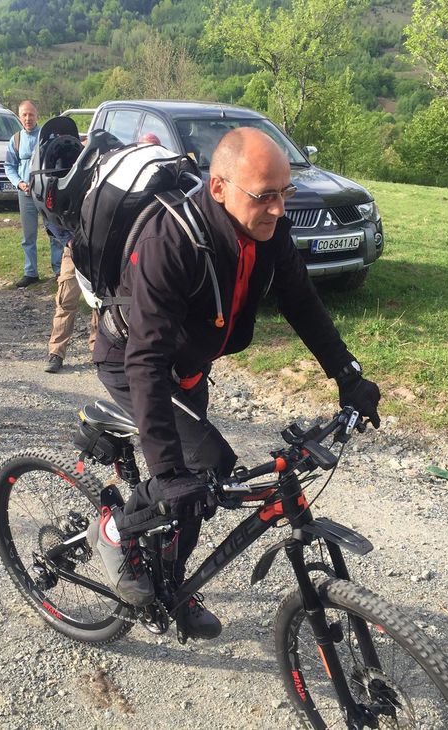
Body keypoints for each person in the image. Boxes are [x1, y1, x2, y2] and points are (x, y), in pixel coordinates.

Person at [88, 128, 382, 639]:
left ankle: (171, 588)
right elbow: (146, 360)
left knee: (199, 489)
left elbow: (301, 301)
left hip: (188, 365)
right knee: (199, 470)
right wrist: (166, 471)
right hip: (132, 359)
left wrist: (347, 374)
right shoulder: (170, 240)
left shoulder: (268, 232)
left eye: (284, 192)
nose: (278, 209)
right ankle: (114, 530)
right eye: (264, 195)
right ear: (219, 187)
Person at [5, 100, 60, 287]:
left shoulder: (47, 136)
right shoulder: (16, 139)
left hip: (46, 193)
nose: (28, 118)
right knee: (28, 236)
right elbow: (9, 166)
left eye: (31, 114)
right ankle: (30, 273)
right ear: (19, 117)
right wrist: (19, 183)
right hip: (26, 194)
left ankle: (59, 270)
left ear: (37, 115)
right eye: (24, 115)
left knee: (54, 231)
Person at [43, 226, 98, 374]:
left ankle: (98, 350)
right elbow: (51, 218)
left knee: (99, 300)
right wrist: (67, 239)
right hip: (73, 249)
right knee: (65, 300)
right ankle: (56, 353)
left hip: (99, 249)